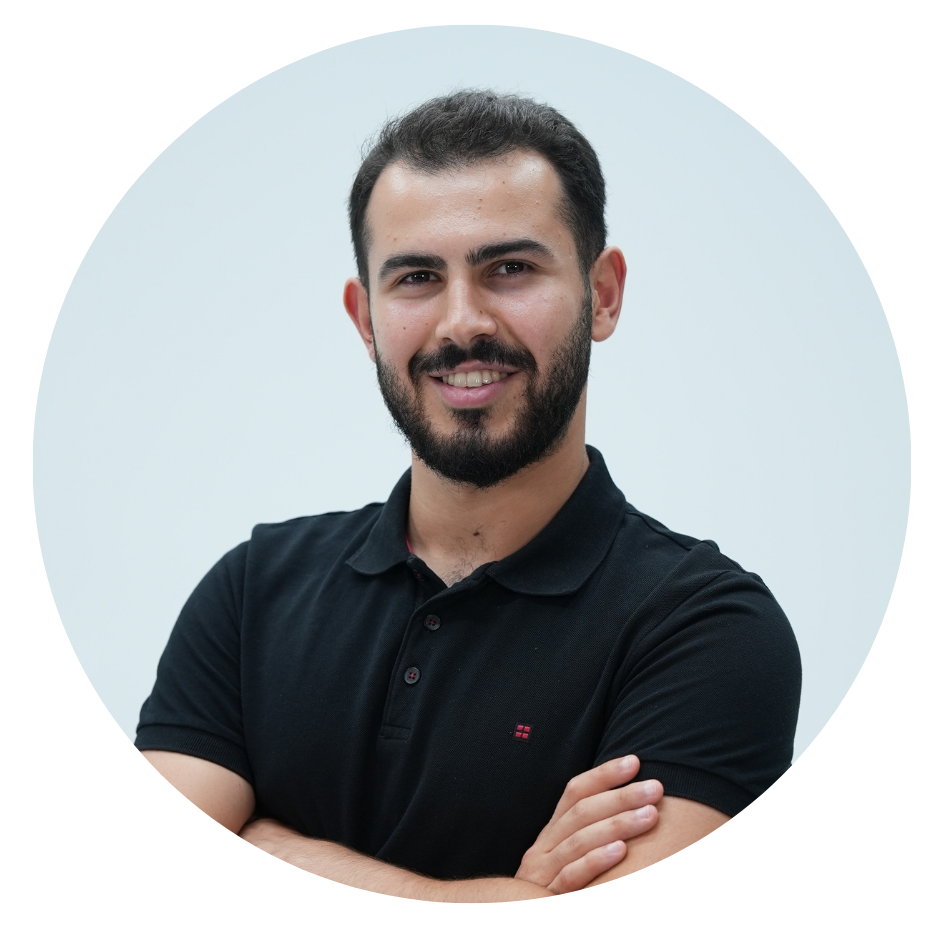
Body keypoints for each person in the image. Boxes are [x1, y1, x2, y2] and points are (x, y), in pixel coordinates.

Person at [136, 90, 801, 899]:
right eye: (417, 277)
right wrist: (489, 896)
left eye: (509, 269)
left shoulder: (707, 630)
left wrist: (271, 841)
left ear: (603, 294)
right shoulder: (252, 591)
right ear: (365, 318)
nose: (461, 323)